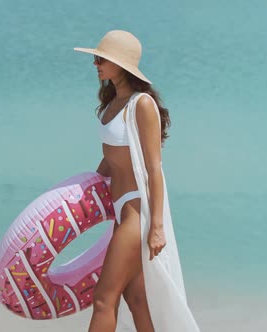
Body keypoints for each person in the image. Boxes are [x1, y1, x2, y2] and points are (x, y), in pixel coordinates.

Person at [74, 30, 201, 332]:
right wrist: (84, 191)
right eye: (96, 58)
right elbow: (111, 158)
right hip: (121, 213)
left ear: (121, 63)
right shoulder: (112, 104)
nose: (95, 63)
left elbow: (155, 169)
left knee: (104, 299)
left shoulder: (141, 104)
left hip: (137, 214)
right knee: (136, 297)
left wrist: (156, 227)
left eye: (102, 58)